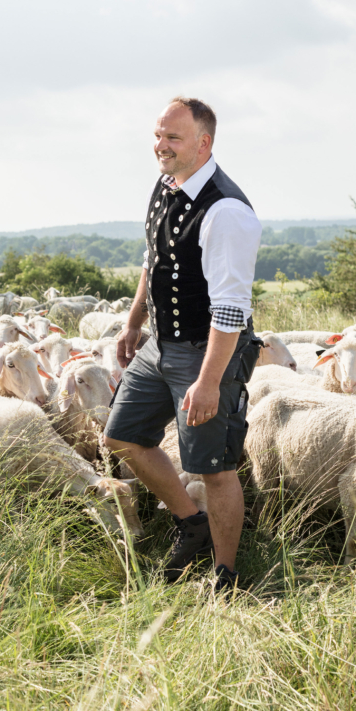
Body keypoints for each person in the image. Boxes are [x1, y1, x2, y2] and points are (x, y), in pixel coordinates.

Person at [103, 97, 262, 591]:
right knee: (123, 435)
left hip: (207, 349)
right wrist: (134, 323)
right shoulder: (166, 184)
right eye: (158, 135)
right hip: (161, 342)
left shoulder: (226, 210)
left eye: (172, 138)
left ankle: (226, 575)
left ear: (203, 142)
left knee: (213, 468)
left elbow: (231, 309)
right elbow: (155, 261)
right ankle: (192, 523)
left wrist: (210, 380)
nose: (161, 146)